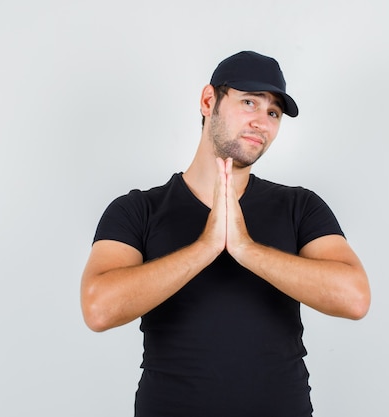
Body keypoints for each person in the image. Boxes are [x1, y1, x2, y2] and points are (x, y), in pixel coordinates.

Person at [80, 50, 371, 417]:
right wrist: (206, 246)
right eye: (249, 102)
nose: (261, 122)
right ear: (208, 101)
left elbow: (354, 298)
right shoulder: (138, 209)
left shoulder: (300, 206)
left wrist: (246, 249)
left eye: (273, 113)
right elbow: (98, 308)